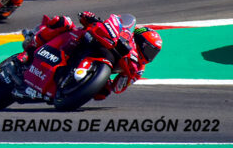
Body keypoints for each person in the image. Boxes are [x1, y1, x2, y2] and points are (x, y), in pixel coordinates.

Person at [22, 11, 162, 100]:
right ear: (139, 41)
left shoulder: (138, 68)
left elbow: (118, 88)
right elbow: (111, 23)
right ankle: (33, 41)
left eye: (153, 53)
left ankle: (66, 88)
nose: (149, 56)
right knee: (64, 22)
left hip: (102, 63)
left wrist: (126, 76)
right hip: (89, 43)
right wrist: (92, 19)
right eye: (149, 50)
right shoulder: (126, 34)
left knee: (103, 93)